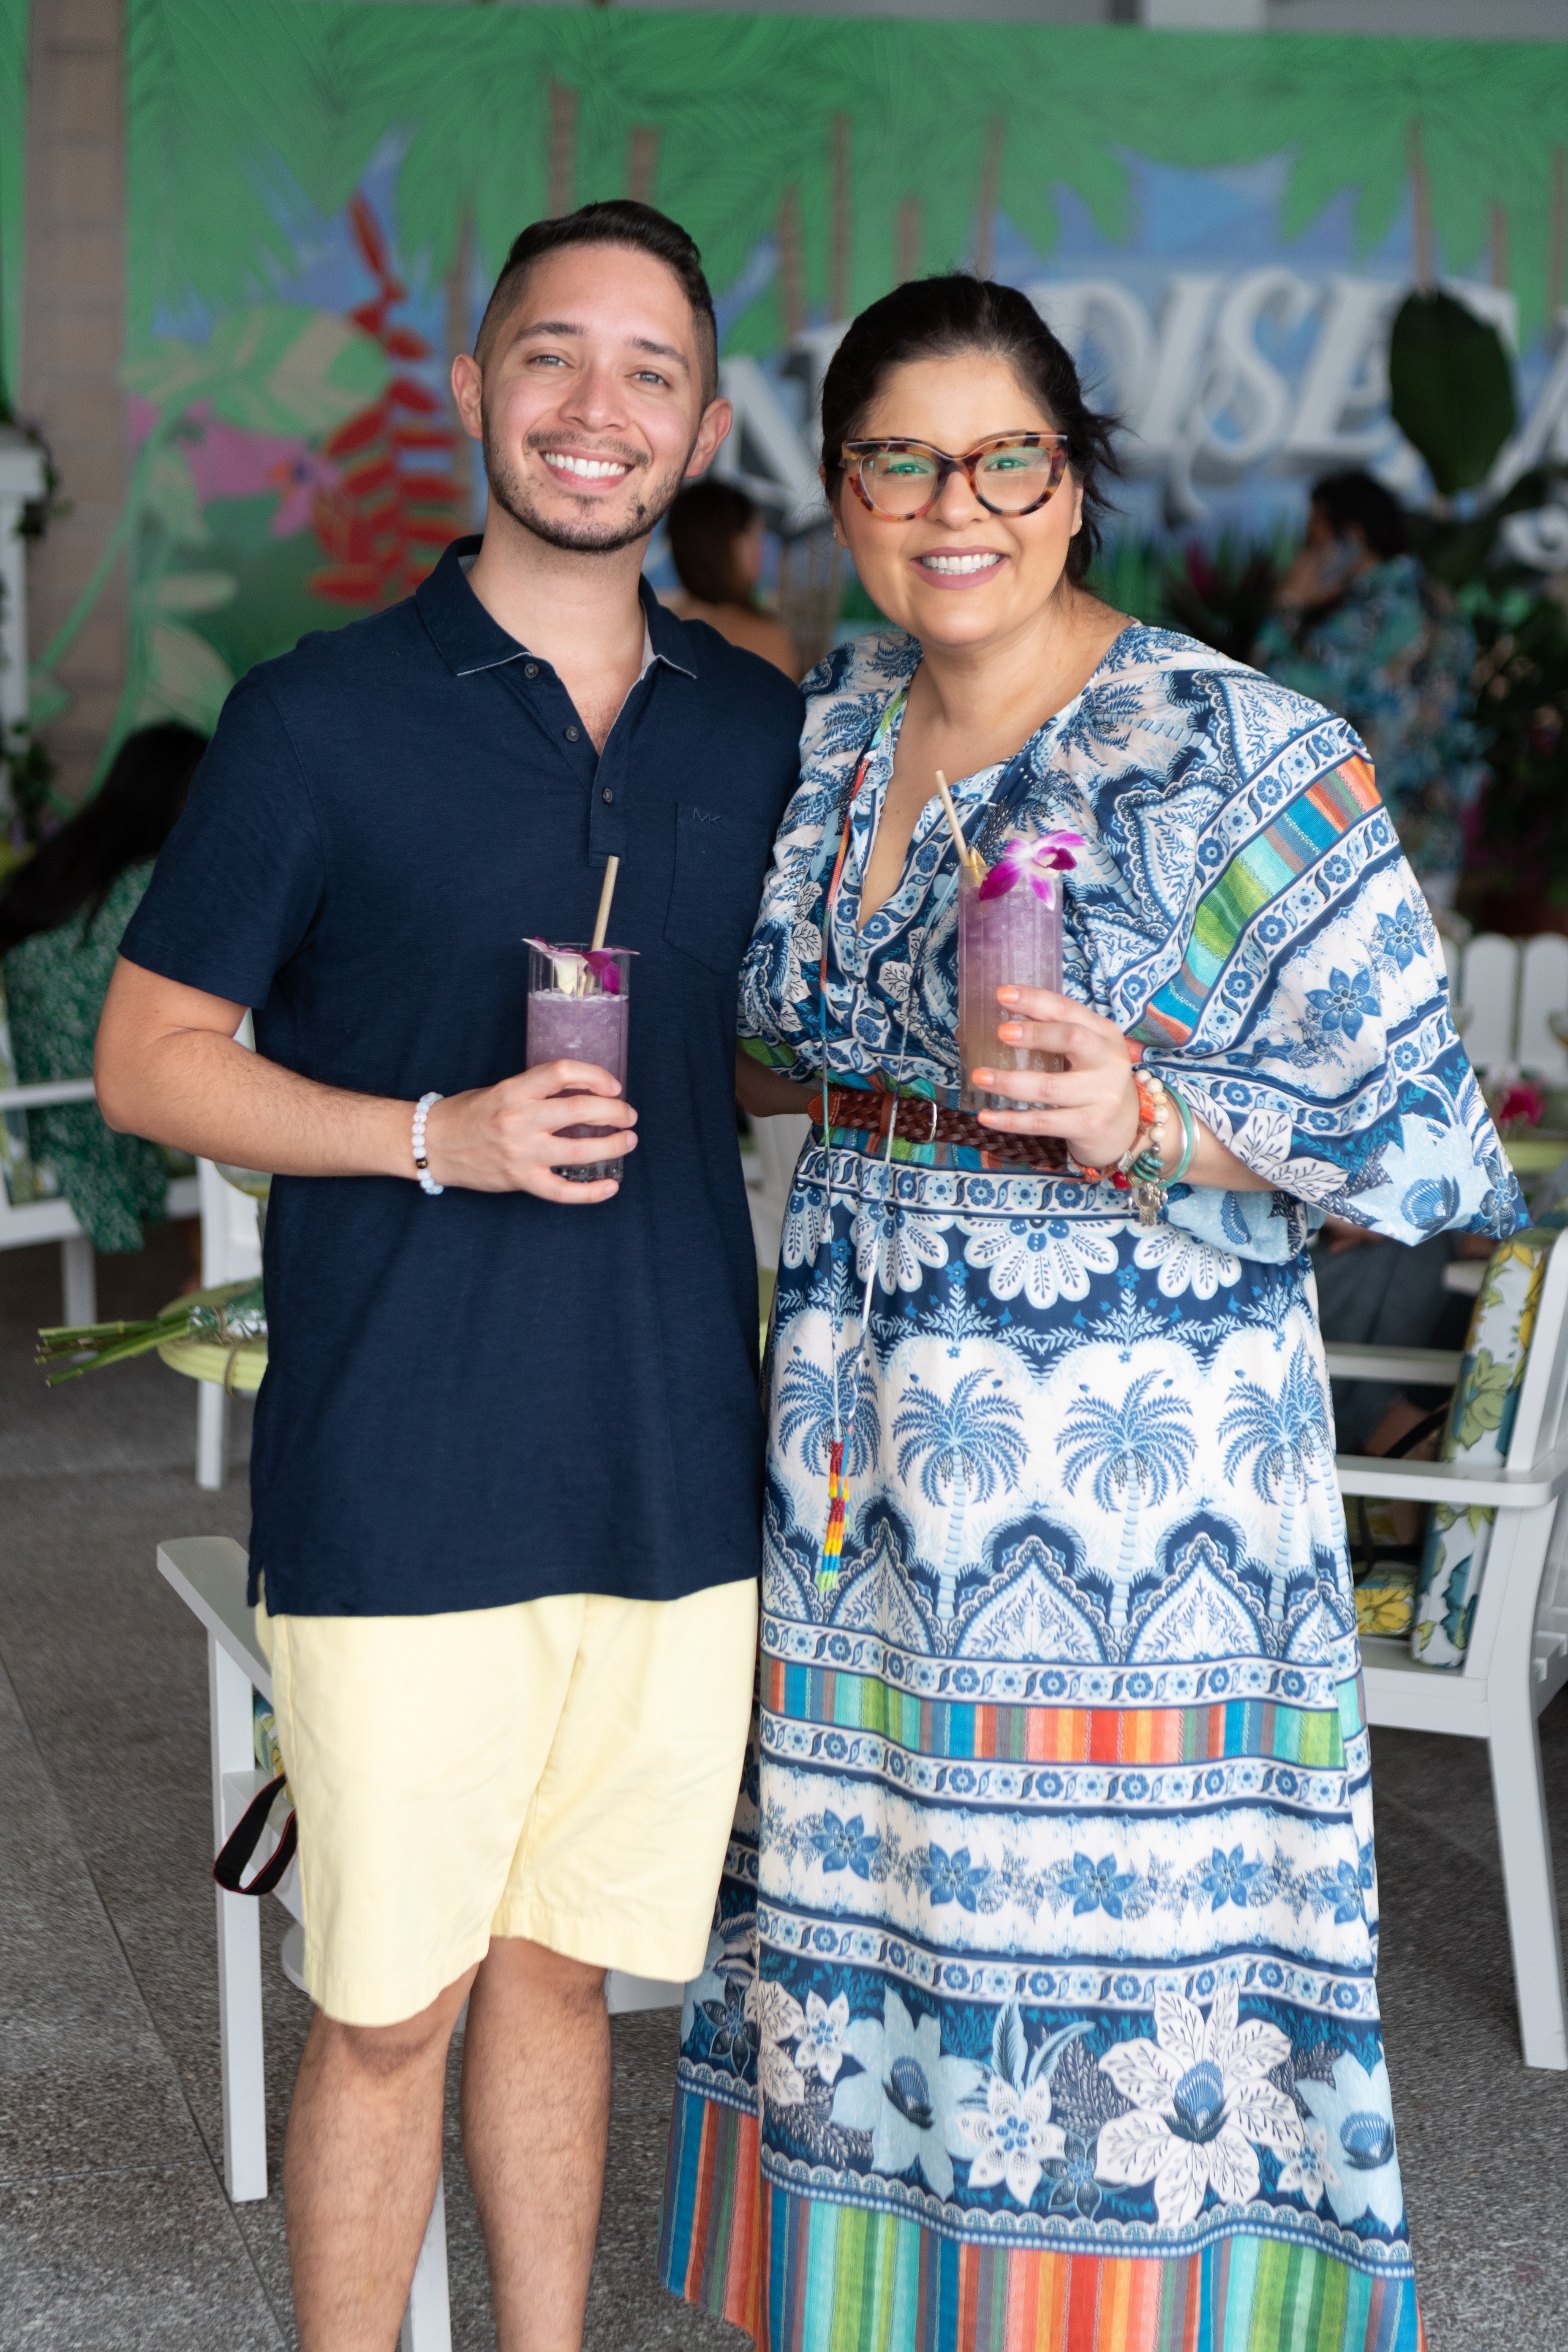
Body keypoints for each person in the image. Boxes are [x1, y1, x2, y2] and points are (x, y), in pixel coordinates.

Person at [661, 277, 1517, 2351]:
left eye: (1004, 457)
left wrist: (1157, 1110)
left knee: (1096, 1958)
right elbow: (779, 1039)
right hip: (855, 1449)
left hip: (1116, 1499)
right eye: (899, 459)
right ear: (840, 489)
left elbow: (1426, 1147)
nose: (953, 502)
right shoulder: (831, 728)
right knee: (885, 1921)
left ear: (1074, 480)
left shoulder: (1238, 750)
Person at [95, 200, 802, 2352]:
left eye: (650, 372)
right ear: (476, 385)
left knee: (568, 1974)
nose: (598, 409)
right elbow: (150, 1064)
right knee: (389, 2000)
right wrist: (431, 1134)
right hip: (399, 1461)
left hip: (673, 1461)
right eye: (554, 358)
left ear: (696, 430)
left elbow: (787, 1036)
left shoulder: (758, 734)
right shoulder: (317, 720)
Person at [0, 721, 206, 1252]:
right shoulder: (154, 882)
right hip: (91, 1108)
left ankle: (206, 1269)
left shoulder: (66, 863)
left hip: (28, 1110)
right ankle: (212, 1273)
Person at [1255, 470, 1484, 914]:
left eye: (1315, 541)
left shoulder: (1365, 615)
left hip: (1364, 850)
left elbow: (1269, 698)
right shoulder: (1446, 606)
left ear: (1352, 538)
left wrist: (1287, 607)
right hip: (1433, 845)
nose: (1307, 557)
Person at [665, 477, 799, 675]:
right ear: (739, 546)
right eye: (758, 537)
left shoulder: (656, 633)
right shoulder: (767, 639)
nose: (761, 552)